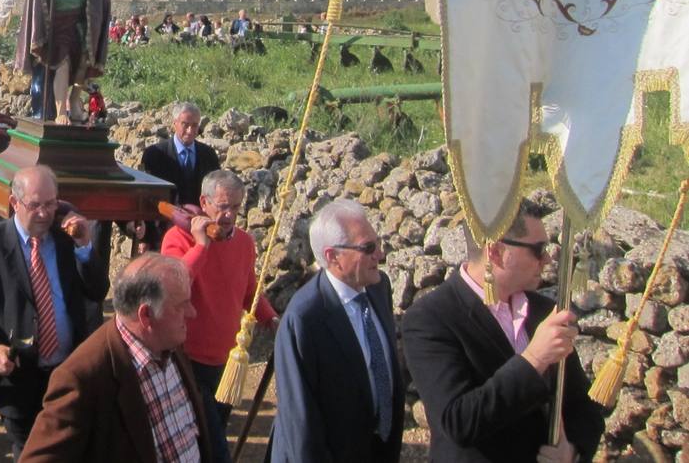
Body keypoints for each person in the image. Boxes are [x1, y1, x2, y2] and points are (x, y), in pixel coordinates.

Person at [401, 199, 605, 463]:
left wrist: (573, 450)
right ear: (496, 252)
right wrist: (534, 359)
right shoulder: (430, 318)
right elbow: (458, 422)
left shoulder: (544, 311)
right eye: (538, 249)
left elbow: (582, 404)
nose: (547, 259)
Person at [0, 165, 107, 458]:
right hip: (19, 377)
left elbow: (97, 291)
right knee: (31, 454)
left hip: (66, 373)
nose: (44, 213)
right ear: (15, 202)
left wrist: (85, 245)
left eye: (51, 204)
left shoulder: (66, 239)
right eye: (35, 205)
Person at [20, 253, 209, 463]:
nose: (192, 313)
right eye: (181, 306)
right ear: (146, 315)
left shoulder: (169, 342)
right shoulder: (83, 378)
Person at [271, 199, 404, 463]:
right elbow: (301, 422)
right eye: (368, 248)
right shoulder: (305, 318)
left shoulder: (378, 287)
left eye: (377, 243)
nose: (379, 254)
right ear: (333, 257)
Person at [161, 170, 276, 462]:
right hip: (188, 359)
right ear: (204, 202)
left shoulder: (244, 242)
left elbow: (248, 289)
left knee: (215, 434)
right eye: (223, 207)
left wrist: (270, 318)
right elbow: (175, 285)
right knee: (214, 447)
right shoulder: (177, 237)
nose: (229, 215)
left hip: (227, 361)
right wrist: (201, 246)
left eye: (236, 207)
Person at [139, 102, 220, 250]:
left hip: (198, 234)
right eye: (185, 124)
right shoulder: (155, 154)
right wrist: (145, 238)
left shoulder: (209, 155)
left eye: (194, 125)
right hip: (162, 234)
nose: (190, 130)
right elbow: (147, 196)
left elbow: (215, 194)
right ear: (174, 124)